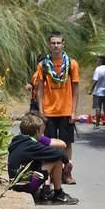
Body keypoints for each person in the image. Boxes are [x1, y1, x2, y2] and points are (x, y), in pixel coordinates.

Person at [35, 31, 79, 185]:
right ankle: (53, 174)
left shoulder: (72, 64)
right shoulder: (44, 65)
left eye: (58, 43)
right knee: (50, 143)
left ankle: (66, 173)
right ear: (49, 44)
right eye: (53, 43)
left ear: (63, 44)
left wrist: (73, 111)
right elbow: (40, 89)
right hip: (49, 111)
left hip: (66, 110)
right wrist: (41, 111)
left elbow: (75, 89)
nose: (56, 45)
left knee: (67, 143)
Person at [8, 113, 78, 205]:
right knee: (57, 160)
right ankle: (58, 194)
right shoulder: (31, 145)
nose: (43, 134)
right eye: (42, 132)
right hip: (25, 186)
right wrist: (67, 161)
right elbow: (58, 154)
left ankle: (46, 190)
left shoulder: (18, 141)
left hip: (16, 184)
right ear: (37, 132)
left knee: (45, 157)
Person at [89, 55, 105, 129]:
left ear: (101, 61)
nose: (97, 62)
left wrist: (91, 89)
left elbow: (95, 80)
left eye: (98, 61)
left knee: (98, 108)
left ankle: (97, 125)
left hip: (98, 92)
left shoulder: (98, 69)